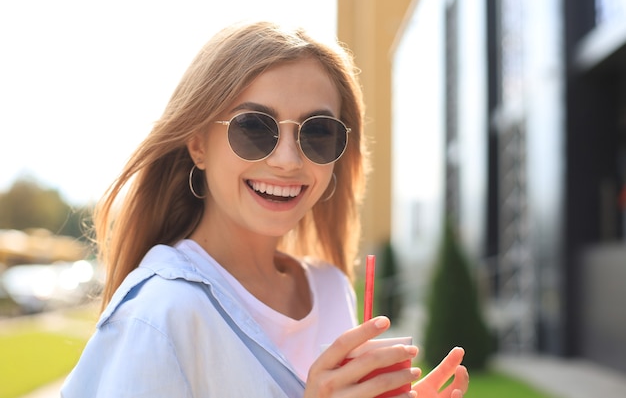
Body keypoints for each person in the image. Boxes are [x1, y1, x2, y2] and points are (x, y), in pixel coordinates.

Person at [61, 20, 469, 398]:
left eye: (319, 132)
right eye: (254, 127)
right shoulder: (160, 315)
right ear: (198, 144)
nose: (288, 160)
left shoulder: (331, 289)